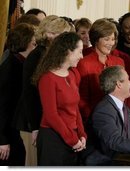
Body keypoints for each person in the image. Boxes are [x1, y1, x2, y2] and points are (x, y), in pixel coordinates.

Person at [14, 15, 72, 165]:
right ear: (48, 34)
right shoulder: (36, 56)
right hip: (32, 122)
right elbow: (30, 94)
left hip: (43, 121)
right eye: (61, 35)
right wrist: (34, 127)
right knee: (34, 164)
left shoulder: (49, 54)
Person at [31, 32, 87, 166]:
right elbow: (51, 116)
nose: (82, 56)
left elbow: (75, 108)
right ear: (68, 51)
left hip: (72, 137)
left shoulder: (73, 74)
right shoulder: (47, 78)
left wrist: (82, 134)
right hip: (53, 138)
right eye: (79, 52)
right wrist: (72, 140)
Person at [0, 23, 36, 166]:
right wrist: (2, 140)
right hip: (6, 134)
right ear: (25, 43)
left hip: (11, 129)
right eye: (34, 43)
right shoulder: (11, 67)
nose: (35, 47)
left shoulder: (20, 63)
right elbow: (2, 106)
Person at [77, 18, 124, 124]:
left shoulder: (119, 62)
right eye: (107, 39)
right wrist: (93, 117)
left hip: (116, 119)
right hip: (92, 120)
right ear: (96, 39)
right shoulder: (84, 63)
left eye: (113, 39)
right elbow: (81, 98)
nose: (111, 43)